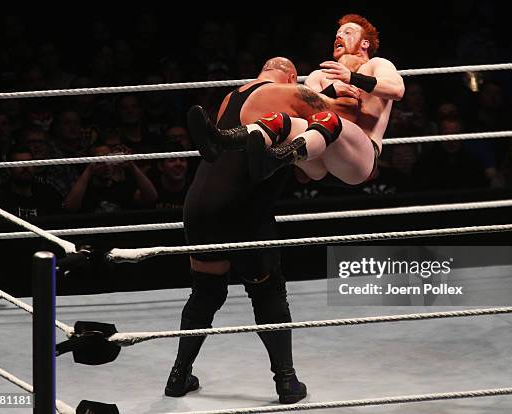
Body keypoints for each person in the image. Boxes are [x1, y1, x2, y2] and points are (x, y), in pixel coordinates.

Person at [166, 56, 350, 404]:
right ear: (292, 75)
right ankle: (286, 382)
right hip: (244, 206)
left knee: (206, 292)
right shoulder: (293, 93)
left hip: (200, 202)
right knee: (267, 293)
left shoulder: (230, 96)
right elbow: (337, 119)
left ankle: (178, 376)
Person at [189, 14, 404, 187]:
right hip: (318, 160)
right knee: (281, 119)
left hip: (358, 159)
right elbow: (302, 112)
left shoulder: (377, 65)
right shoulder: (319, 76)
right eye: (337, 34)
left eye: (347, 33)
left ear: (365, 43)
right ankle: (222, 141)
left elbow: (396, 90)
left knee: (328, 118)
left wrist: (352, 78)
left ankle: (276, 158)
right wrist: (330, 90)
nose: (339, 37)